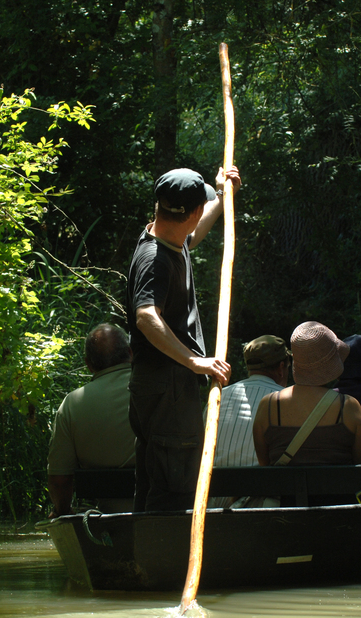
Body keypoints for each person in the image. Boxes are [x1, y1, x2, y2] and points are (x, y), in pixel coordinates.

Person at [127, 165, 241, 511]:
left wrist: (221, 197)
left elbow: (192, 237)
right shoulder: (155, 259)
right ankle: (164, 560)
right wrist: (195, 361)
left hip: (161, 389)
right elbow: (146, 317)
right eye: (200, 208)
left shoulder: (166, 238)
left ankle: (144, 558)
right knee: (172, 488)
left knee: (156, 479)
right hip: (168, 391)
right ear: (191, 212)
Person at [252, 321, 361, 469]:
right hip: (337, 491)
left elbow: (264, 465)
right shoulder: (349, 407)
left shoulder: (268, 406)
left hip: (284, 492)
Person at [47, 323, 136, 518]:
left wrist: (62, 511)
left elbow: (59, 480)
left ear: (88, 364)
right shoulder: (156, 390)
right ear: (130, 352)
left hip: (102, 520)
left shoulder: (71, 404)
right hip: (161, 508)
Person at [212, 335, 292, 468]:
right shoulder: (287, 400)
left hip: (214, 483)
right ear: (281, 368)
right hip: (261, 484)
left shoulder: (219, 396)